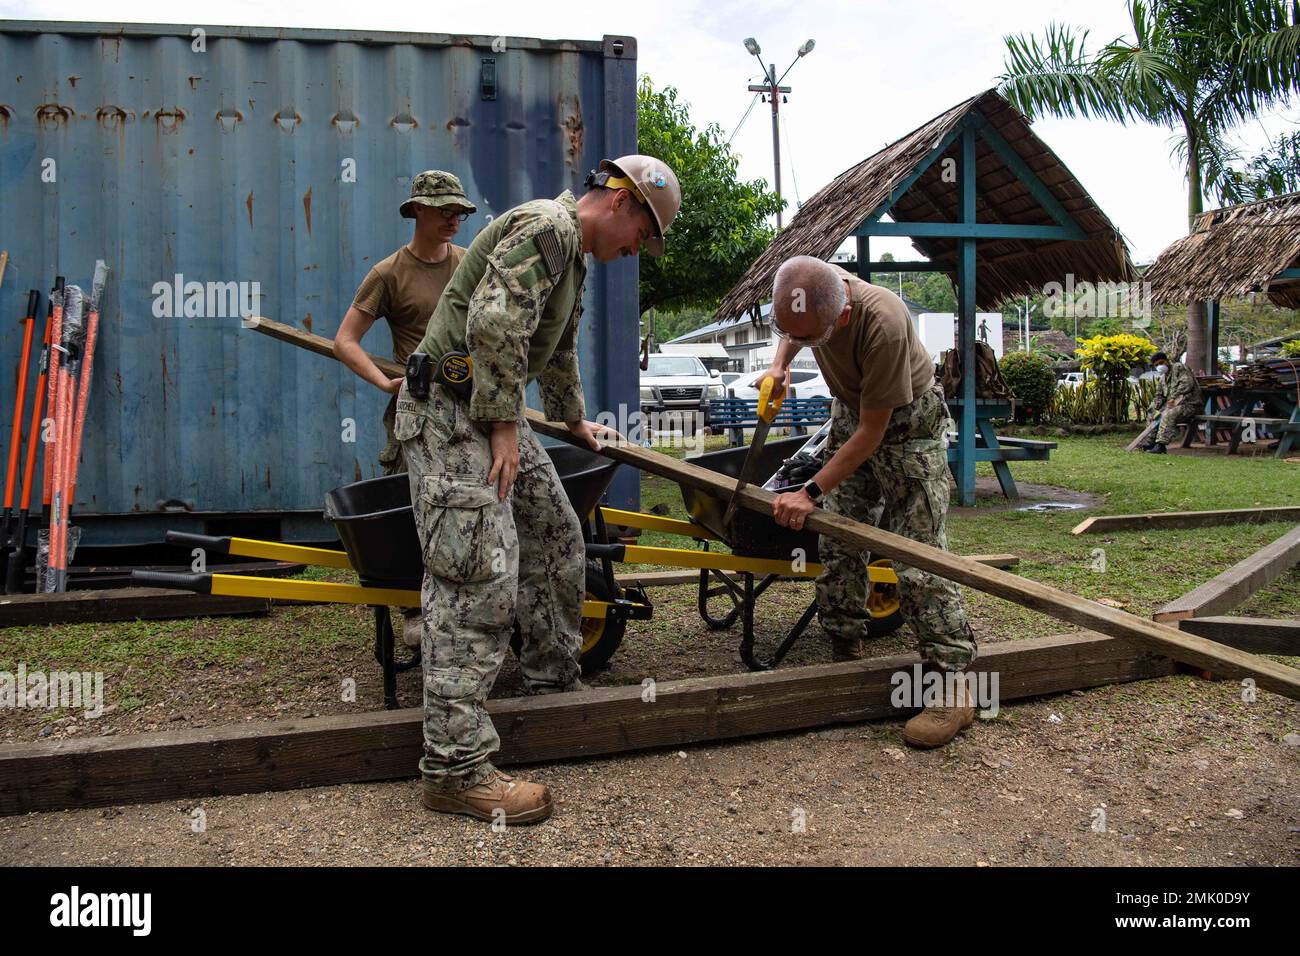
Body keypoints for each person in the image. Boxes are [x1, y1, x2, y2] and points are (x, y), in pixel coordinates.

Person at [397, 155, 681, 824]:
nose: (637, 249)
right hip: (451, 413)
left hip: (487, 411)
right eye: (643, 233)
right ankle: (454, 767)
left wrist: (574, 417)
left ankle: (552, 684)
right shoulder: (548, 227)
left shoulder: (572, 258)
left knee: (557, 535)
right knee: (478, 576)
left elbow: (554, 348)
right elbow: (494, 326)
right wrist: (503, 426)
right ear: (620, 202)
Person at [760, 255, 979, 750]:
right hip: (851, 410)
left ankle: (954, 683)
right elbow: (794, 326)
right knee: (838, 536)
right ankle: (844, 645)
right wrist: (780, 364)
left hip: (904, 425)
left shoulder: (884, 321)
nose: (802, 341)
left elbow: (872, 433)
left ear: (839, 318)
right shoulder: (811, 289)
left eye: (812, 338)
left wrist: (809, 490)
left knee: (918, 557)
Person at [333, 170, 475, 648]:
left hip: (468, 410)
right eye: (444, 210)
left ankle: (470, 603)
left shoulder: (470, 265)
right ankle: (415, 609)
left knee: (474, 506)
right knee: (419, 513)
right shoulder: (388, 273)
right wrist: (382, 382)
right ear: (416, 210)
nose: (454, 219)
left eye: (459, 211)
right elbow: (344, 341)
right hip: (415, 413)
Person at [1143, 351, 1202, 453]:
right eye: (1156, 365)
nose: (1159, 366)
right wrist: (1155, 406)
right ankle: (1150, 442)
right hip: (1173, 406)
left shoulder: (1179, 368)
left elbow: (1187, 384)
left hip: (1190, 405)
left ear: (1166, 360)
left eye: (1161, 363)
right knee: (1152, 412)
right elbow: (1159, 395)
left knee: (1168, 414)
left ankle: (1161, 445)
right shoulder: (1162, 378)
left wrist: (1173, 398)